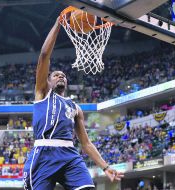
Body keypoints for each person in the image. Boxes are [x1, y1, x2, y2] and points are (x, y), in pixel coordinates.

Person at [23, 16, 124, 190]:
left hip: (70, 155)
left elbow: (85, 143)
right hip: (44, 154)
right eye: (56, 75)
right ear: (47, 81)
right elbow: (44, 55)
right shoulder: (42, 93)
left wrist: (105, 167)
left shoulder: (75, 108)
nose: (61, 76)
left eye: (63, 75)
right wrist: (57, 24)